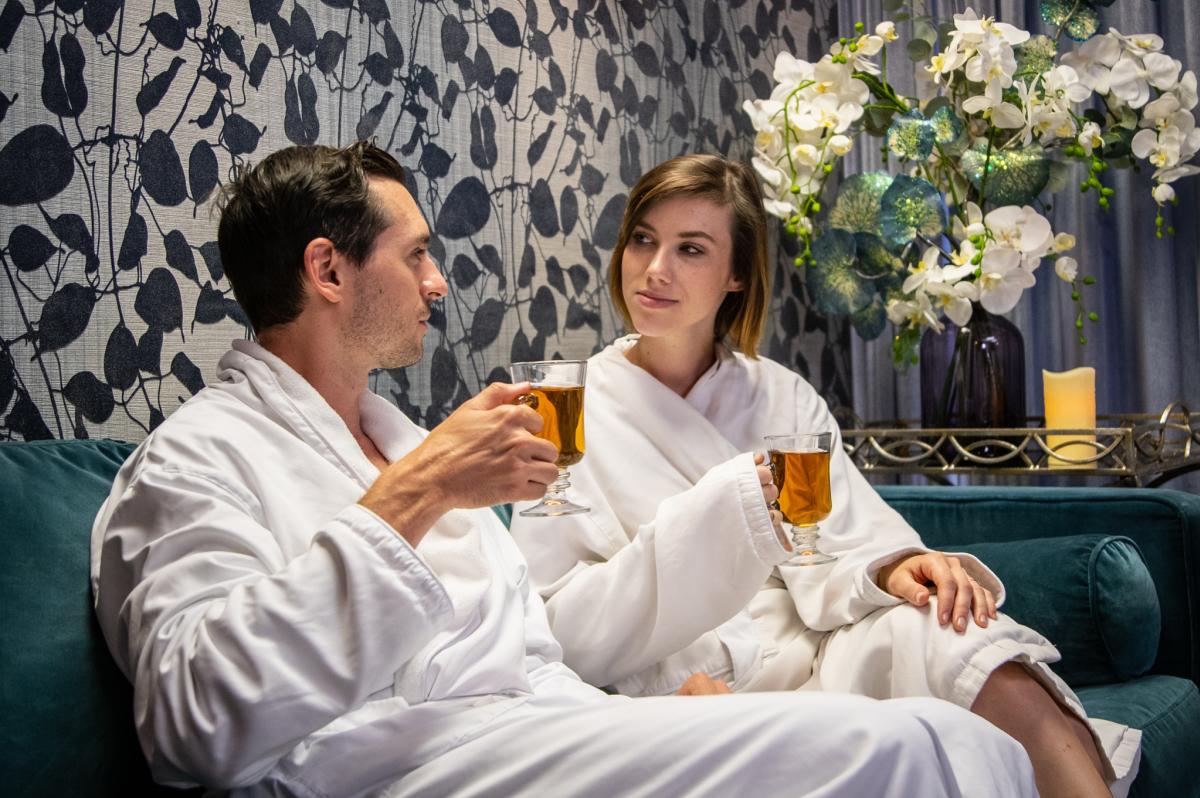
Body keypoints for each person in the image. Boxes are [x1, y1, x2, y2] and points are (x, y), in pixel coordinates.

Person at [90, 142, 1038, 797]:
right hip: (404, 763)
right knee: (909, 752)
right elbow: (191, 723)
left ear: (737, 275)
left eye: (693, 250)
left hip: (557, 724)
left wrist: (664, 706)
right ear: (329, 272)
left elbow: (536, 652)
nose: (439, 283)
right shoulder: (193, 463)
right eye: (417, 255)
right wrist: (417, 495)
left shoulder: (409, 437)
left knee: (956, 733)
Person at [509, 154, 1142, 798]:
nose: (655, 269)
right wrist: (662, 682)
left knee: (956, 636)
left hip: (815, 652)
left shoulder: (780, 396)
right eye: (643, 239)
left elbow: (840, 542)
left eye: (690, 249)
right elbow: (559, 624)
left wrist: (894, 566)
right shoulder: (565, 411)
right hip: (683, 678)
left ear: (735, 276)